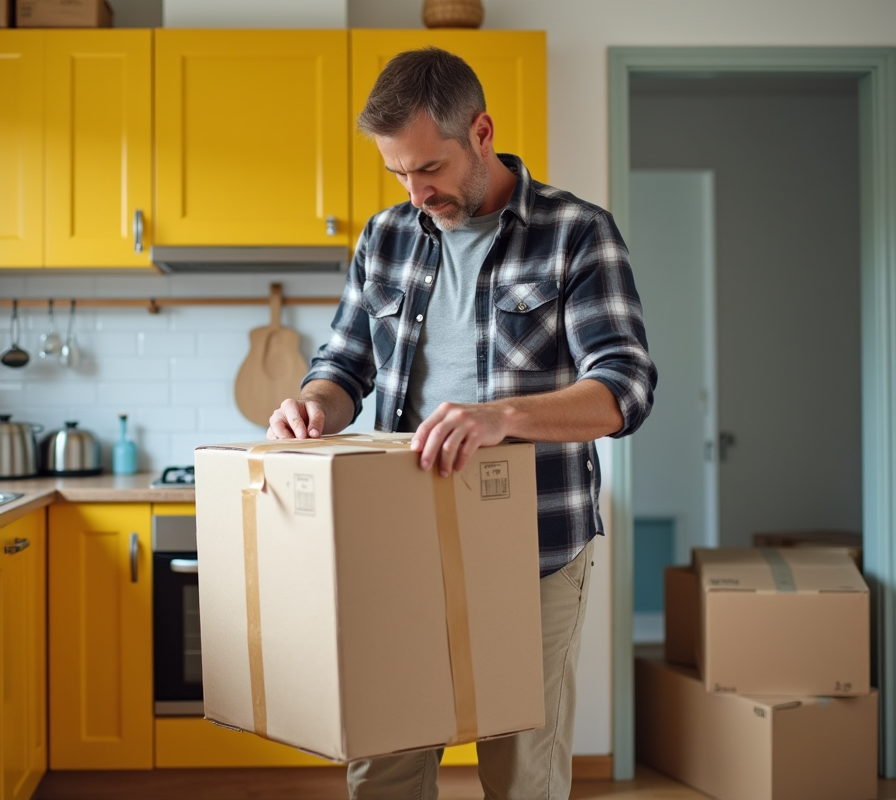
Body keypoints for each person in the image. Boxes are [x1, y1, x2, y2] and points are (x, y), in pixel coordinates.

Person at [266, 47, 656, 800]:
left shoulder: (577, 232)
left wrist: (501, 416)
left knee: (521, 777)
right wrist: (313, 403)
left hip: (535, 546)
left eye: (430, 168)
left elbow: (624, 388)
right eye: (399, 174)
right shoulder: (385, 236)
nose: (417, 193)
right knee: (383, 768)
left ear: (481, 132)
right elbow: (343, 366)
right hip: (400, 545)